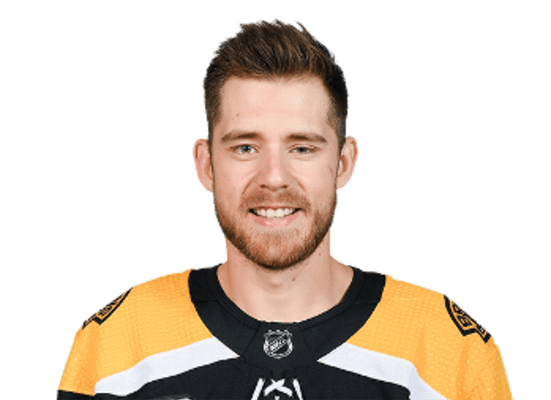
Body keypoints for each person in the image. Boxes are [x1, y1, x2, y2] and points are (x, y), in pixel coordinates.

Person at [57, 19, 514, 400]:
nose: (274, 178)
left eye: (302, 148)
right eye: (245, 147)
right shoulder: (116, 349)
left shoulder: (450, 354)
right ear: (206, 165)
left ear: (343, 163)